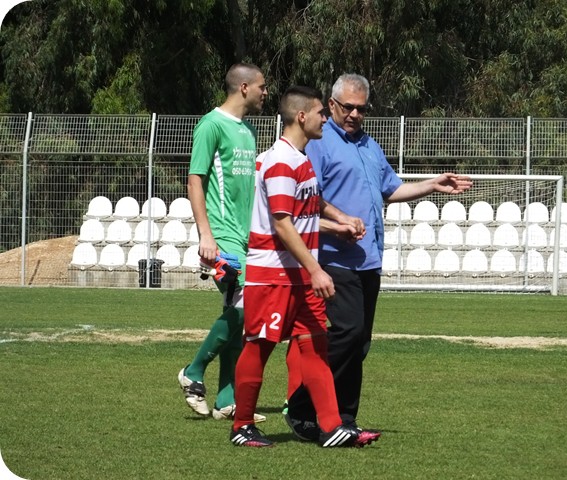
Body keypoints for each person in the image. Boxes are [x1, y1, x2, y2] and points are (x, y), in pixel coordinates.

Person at [284, 73, 473, 440]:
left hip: (369, 260)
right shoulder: (320, 144)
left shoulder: (370, 145)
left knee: (360, 343)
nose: (355, 114)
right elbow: (307, 200)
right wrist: (338, 225)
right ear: (332, 105)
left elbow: (391, 189)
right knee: (347, 334)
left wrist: (432, 185)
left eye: (361, 108)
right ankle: (303, 407)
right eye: (348, 107)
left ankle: (344, 418)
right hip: (334, 259)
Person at [229, 86, 376, 448]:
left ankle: (332, 426)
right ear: (301, 116)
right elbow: (283, 224)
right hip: (273, 275)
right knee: (259, 347)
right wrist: (316, 269)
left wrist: (340, 219)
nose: (325, 119)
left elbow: (309, 208)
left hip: (297, 276)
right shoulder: (281, 160)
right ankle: (242, 426)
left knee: (315, 348)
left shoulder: (301, 158)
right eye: (320, 113)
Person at [178, 63, 268, 422]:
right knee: (246, 305)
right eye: (262, 86)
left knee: (241, 314)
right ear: (244, 87)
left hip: (245, 240)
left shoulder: (248, 131)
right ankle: (193, 371)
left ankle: (226, 400)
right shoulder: (211, 125)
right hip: (221, 237)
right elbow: (195, 180)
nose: (266, 93)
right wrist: (206, 234)